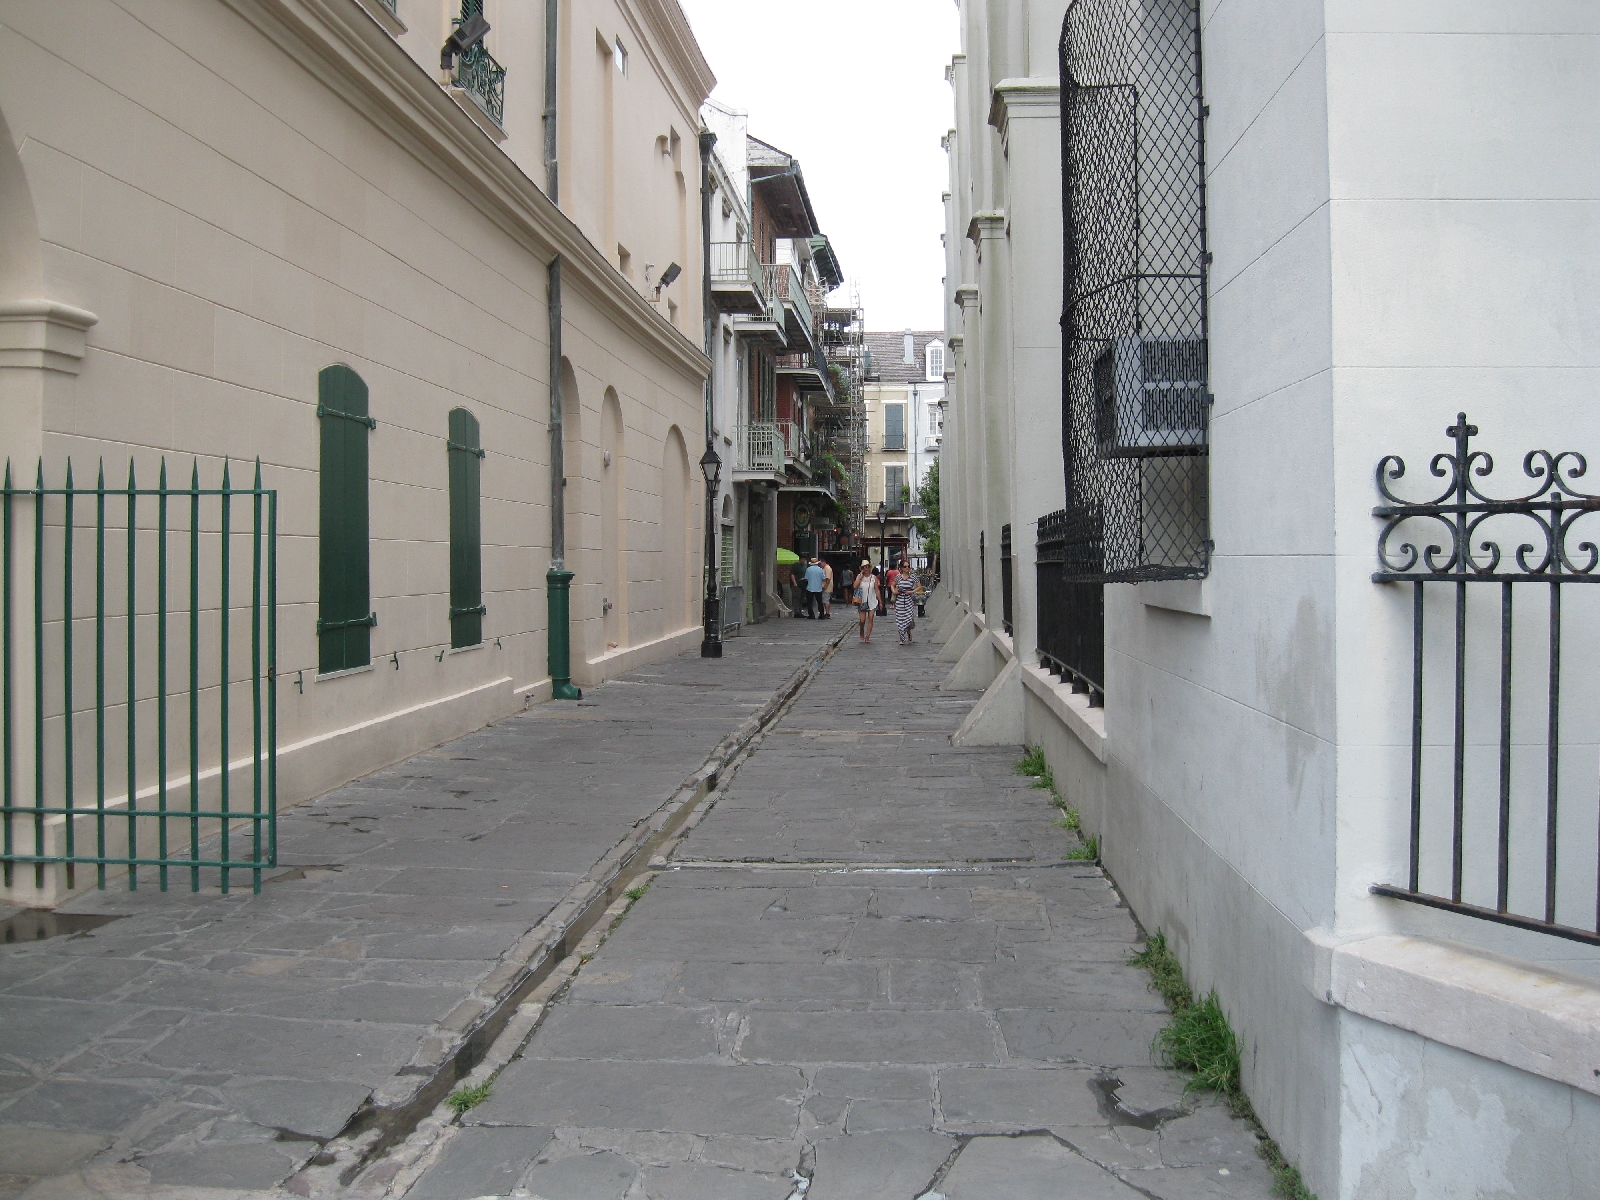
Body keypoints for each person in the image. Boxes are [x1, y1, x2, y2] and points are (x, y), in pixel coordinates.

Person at [854, 559, 878, 642]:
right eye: (864, 567)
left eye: (867, 567)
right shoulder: (859, 576)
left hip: (872, 600)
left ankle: (867, 636)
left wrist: (880, 601)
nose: (866, 568)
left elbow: (877, 589)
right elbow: (855, 586)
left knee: (871, 618)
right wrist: (859, 578)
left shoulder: (873, 578)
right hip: (862, 600)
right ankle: (861, 630)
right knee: (862, 620)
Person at [894, 567, 917, 645]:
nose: (907, 568)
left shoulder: (913, 577)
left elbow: (919, 586)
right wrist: (894, 591)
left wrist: (912, 591)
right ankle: (902, 639)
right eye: (905, 566)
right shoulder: (898, 577)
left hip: (908, 601)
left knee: (909, 619)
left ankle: (908, 631)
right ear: (902, 568)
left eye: (908, 566)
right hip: (900, 600)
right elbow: (892, 585)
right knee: (900, 619)